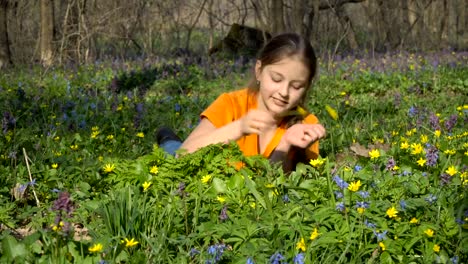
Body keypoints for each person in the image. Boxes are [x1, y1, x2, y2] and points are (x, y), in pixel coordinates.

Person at [157, 32, 326, 172]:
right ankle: (167, 139)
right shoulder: (231, 103)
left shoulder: (305, 126)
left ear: (307, 87)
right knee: (172, 151)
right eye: (276, 79)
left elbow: (275, 189)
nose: (284, 92)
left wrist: (286, 144)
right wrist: (239, 127)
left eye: (296, 86)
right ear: (259, 71)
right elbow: (183, 155)